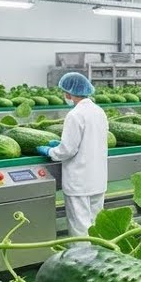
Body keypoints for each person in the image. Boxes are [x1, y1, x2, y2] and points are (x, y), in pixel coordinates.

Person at [37, 72, 108, 237]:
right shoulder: (99, 111)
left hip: (80, 182)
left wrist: (51, 151)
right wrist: (62, 145)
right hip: (97, 179)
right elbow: (93, 140)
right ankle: (100, 257)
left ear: (69, 93)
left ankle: (82, 260)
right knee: (97, 225)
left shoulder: (75, 115)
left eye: (64, 92)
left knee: (80, 228)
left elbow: (67, 150)